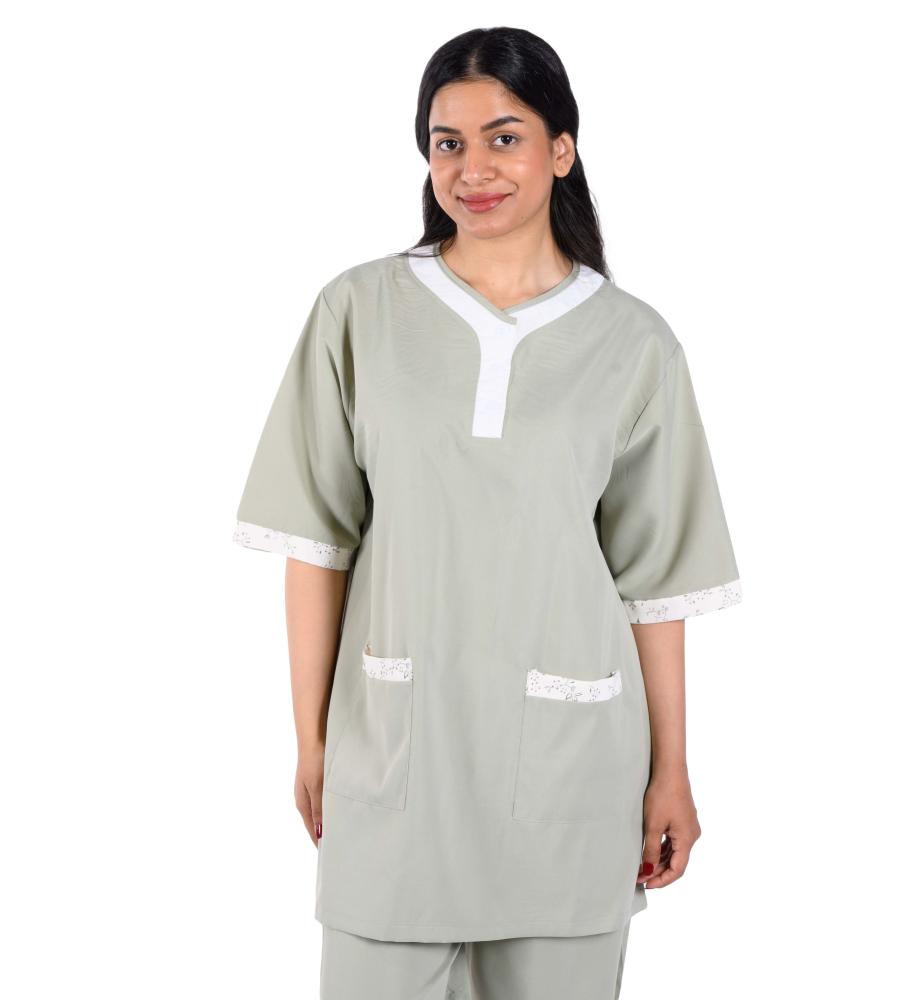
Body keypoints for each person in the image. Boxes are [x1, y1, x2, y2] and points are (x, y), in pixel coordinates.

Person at [232, 25, 742, 1000]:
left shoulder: (633, 344)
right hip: (396, 753)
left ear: (562, 149)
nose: (472, 169)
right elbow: (316, 542)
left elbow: (654, 583)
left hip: (569, 767)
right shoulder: (359, 312)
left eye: (504, 138)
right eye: (447, 143)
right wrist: (313, 739)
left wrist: (672, 768)